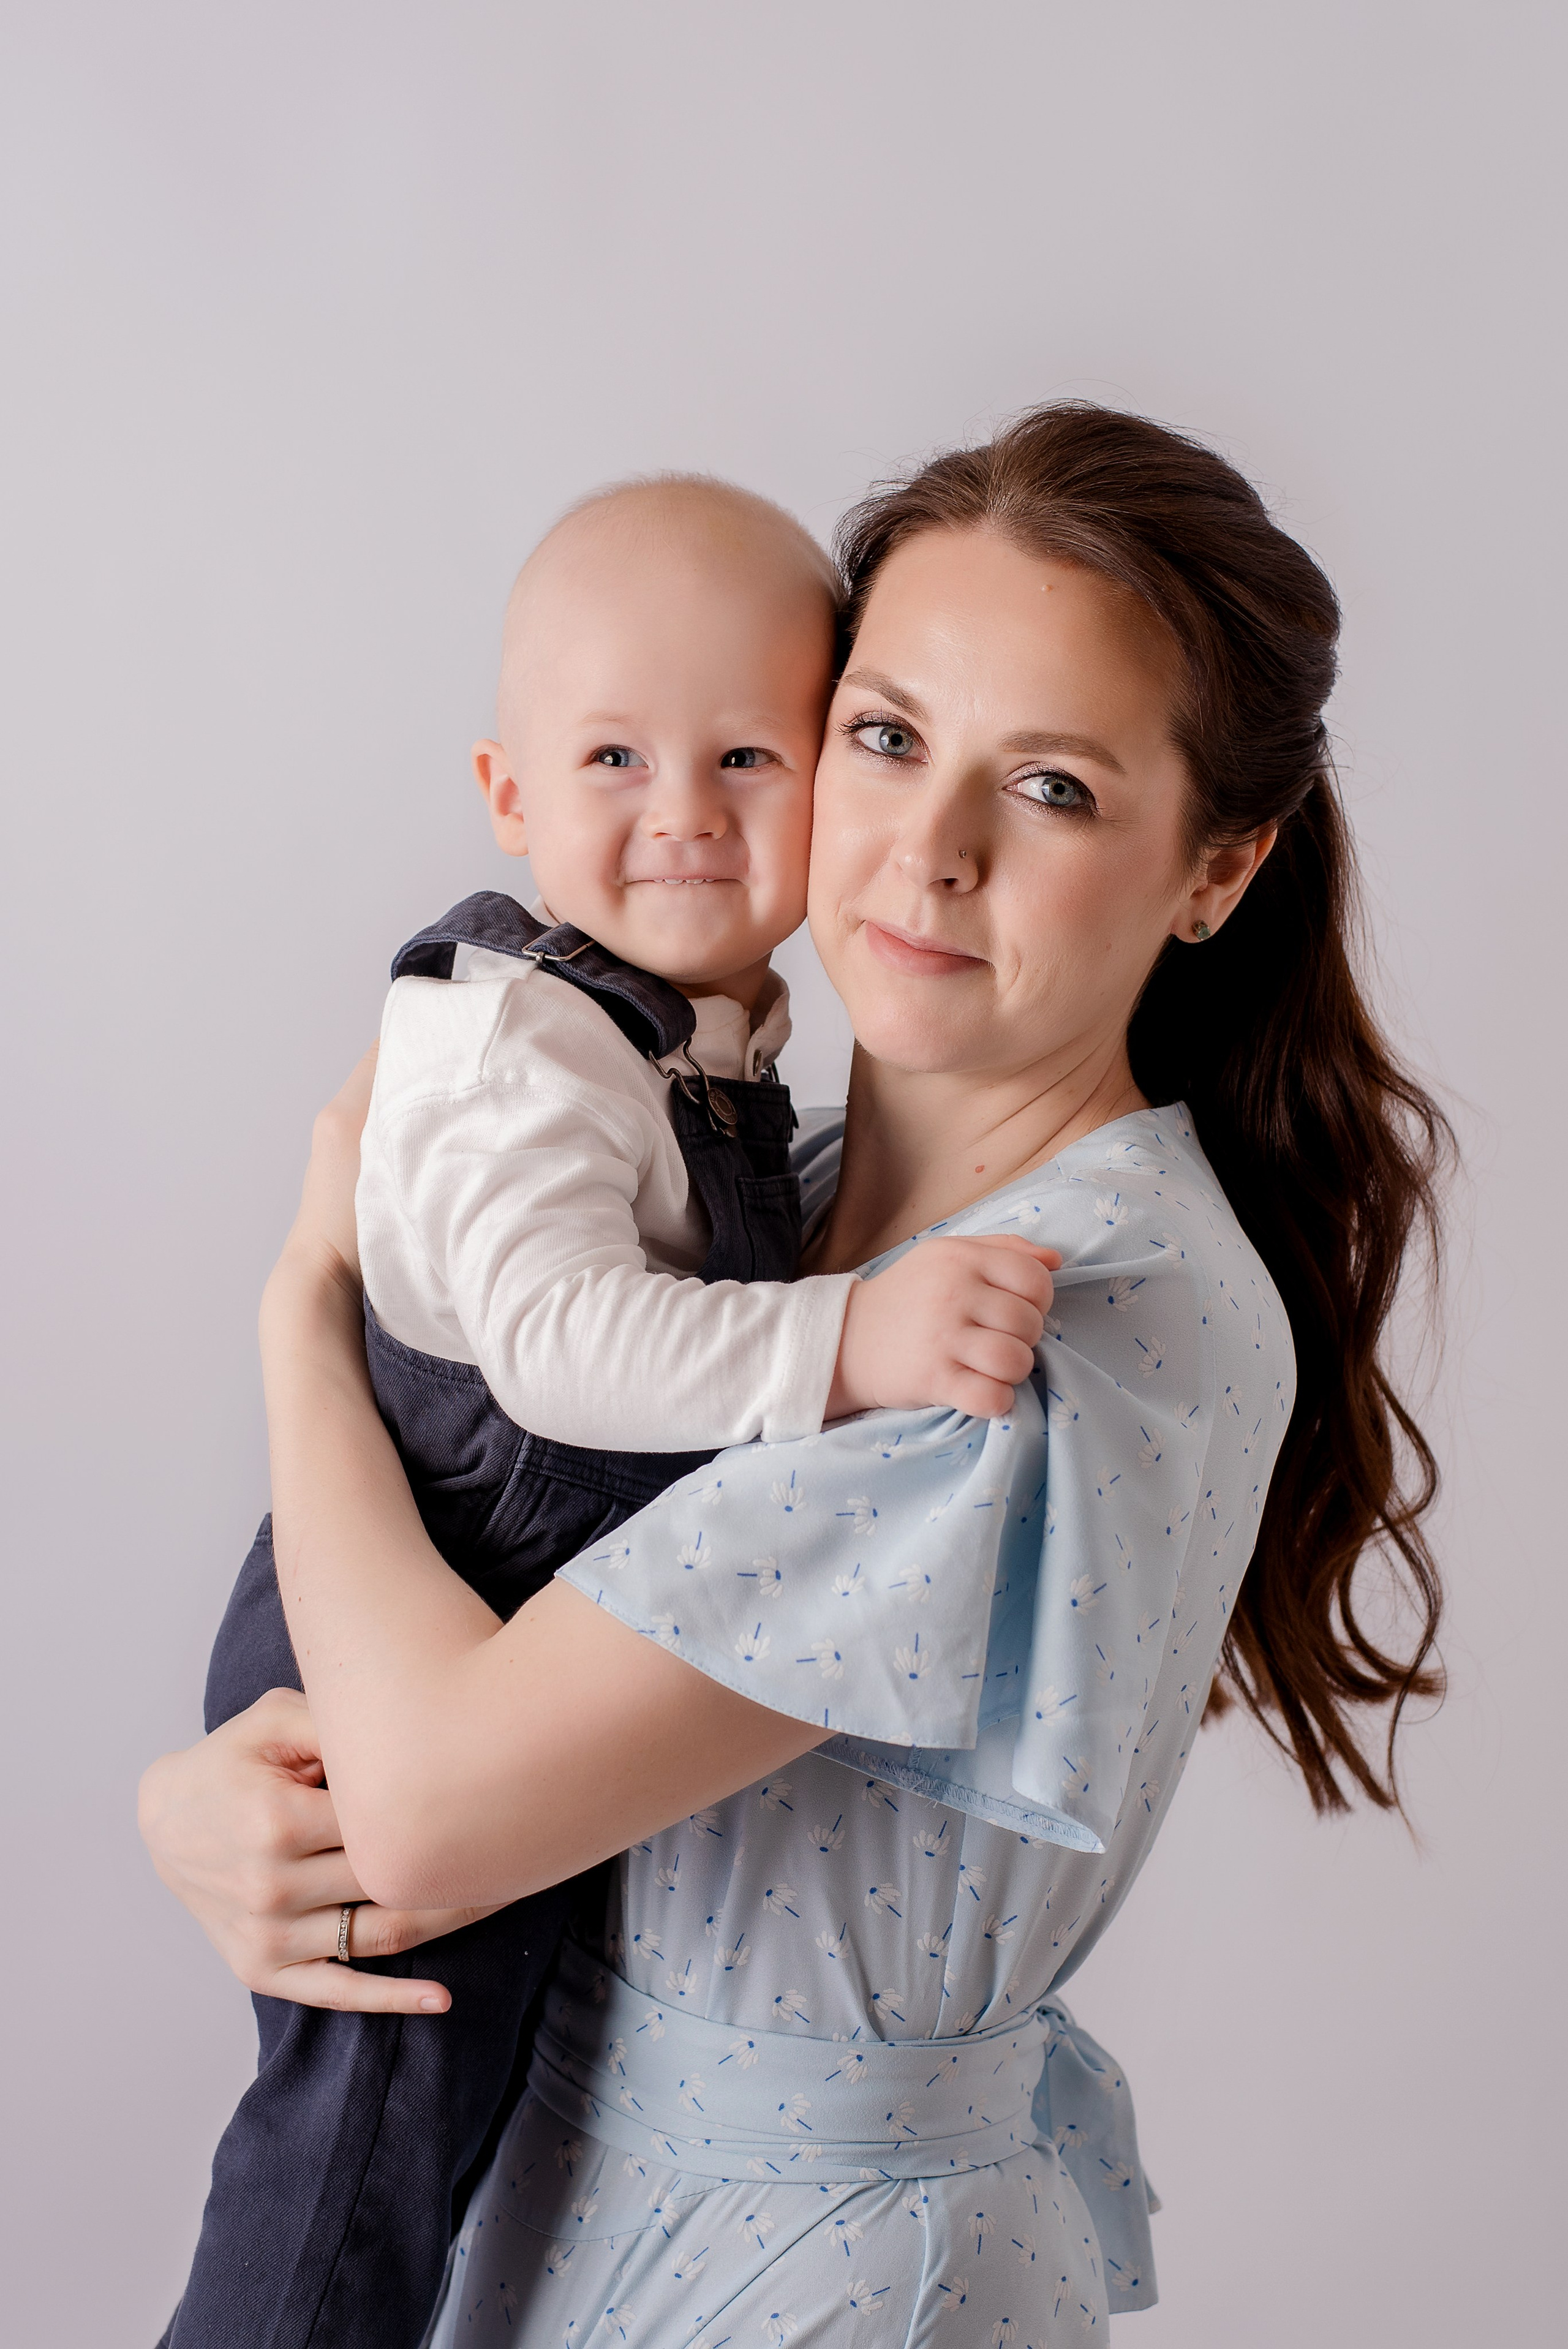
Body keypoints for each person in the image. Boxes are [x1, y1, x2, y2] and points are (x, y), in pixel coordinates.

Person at [141, 404, 1448, 2344]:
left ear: (1218, 864)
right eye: (890, 736)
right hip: (561, 2206)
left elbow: (429, 1813)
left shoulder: (1046, 1316)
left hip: (801, 2286)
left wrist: (301, 1314)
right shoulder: (793, 1199)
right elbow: (464, 1702)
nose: (930, 852)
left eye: (1059, 790)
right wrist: (214, 1807)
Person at [169, 477, 1063, 2349]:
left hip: (489, 1635)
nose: (683, 813)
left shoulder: (709, 1048)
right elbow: (566, 1347)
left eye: (751, 752)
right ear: (508, 798)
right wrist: (852, 1339)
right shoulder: (525, 1040)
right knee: (360, 2162)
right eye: (613, 757)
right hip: (405, 1608)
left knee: (463, 2153)